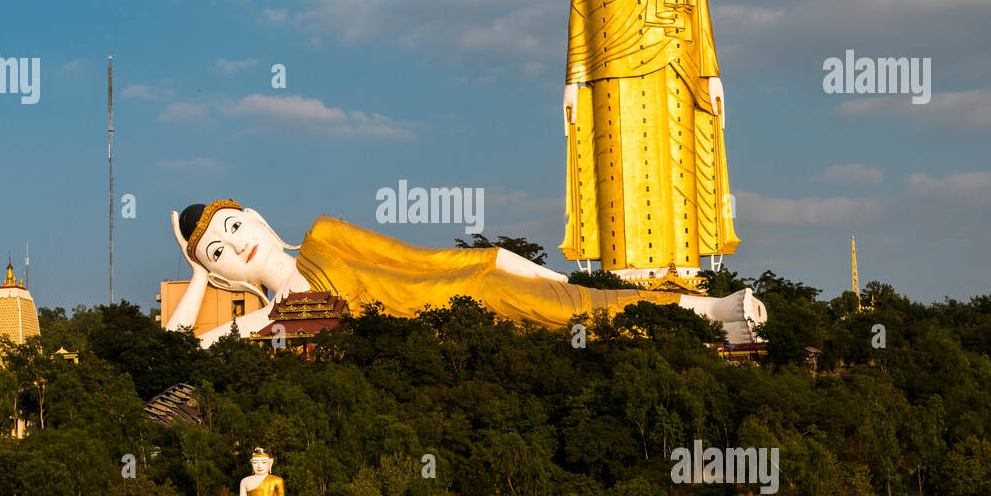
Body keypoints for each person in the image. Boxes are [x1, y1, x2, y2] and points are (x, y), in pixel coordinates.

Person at [163, 199, 764, 346]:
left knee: (577, 303)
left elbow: (417, 260)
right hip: (455, 338)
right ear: (221, 276)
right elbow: (186, 346)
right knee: (579, 329)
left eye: (232, 228)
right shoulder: (278, 318)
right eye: (216, 251)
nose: (233, 247)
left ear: (258, 218)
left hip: (469, 290)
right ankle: (712, 326)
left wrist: (514, 264)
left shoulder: (325, 236)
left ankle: (708, 314)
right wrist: (195, 273)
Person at [561, 0, 740, 283]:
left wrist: (712, 73)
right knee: (615, 166)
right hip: (610, 72)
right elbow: (580, 19)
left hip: (675, 65)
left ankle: (683, 270)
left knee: (676, 162)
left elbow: (699, 9)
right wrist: (573, 81)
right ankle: (621, 275)